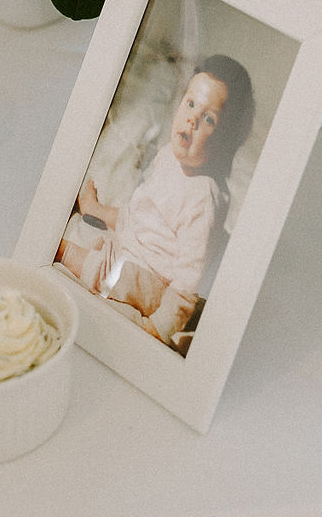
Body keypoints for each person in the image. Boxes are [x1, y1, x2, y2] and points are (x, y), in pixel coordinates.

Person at [56, 55, 255, 346]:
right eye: (190, 104)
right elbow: (142, 215)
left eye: (208, 119)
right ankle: (93, 210)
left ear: (224, 142)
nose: (192, 119)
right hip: (134, 248)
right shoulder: (168, 158)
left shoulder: (203, 198)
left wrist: (158, 327)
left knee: (96, 265)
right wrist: (104, 214)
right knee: (121, 235)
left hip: (154, 281)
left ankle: (65, 253)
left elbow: (187, 283)